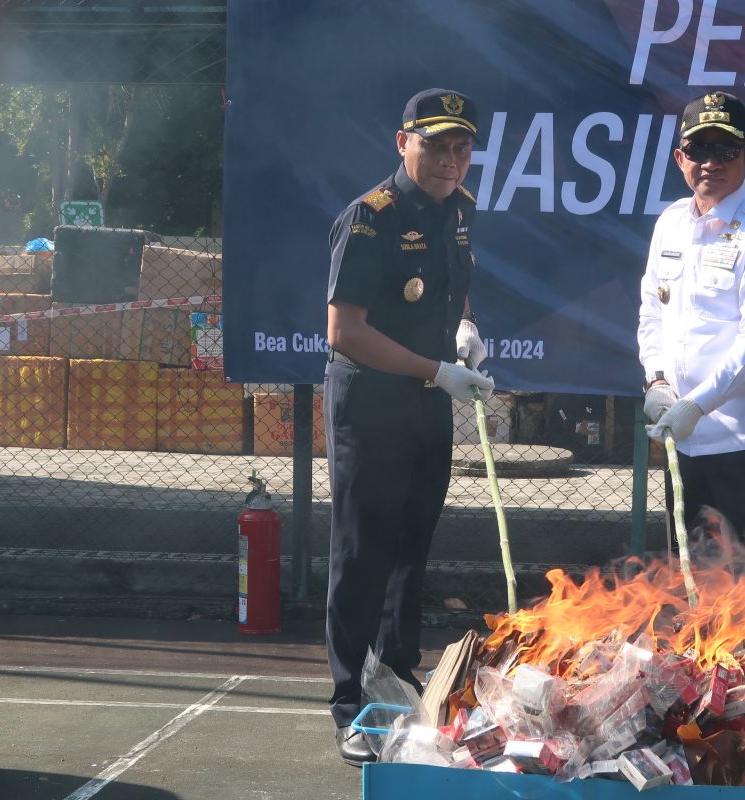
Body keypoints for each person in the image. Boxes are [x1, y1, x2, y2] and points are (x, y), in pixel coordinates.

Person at [323, 88, 493, 767]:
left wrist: (465, 328)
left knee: (411, 552)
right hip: (372, 405)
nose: (450, 158)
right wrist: (437, 371)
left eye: (461, 146)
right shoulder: (370, 219)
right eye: (435, 144)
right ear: (403, 143)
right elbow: (345, 332)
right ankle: (352, 705)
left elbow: (455, 287)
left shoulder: (461, 210)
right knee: (362, 556)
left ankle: (396, 679)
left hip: (428, 402)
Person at [637, 91, 745, 547]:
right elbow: (652, 311)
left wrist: (697, 405)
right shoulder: (670, 222)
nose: (711, 162)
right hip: (684, 437)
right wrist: (656, 383)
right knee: (688, 572)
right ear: (679, 158)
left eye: (725, 149)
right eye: (699, 149)